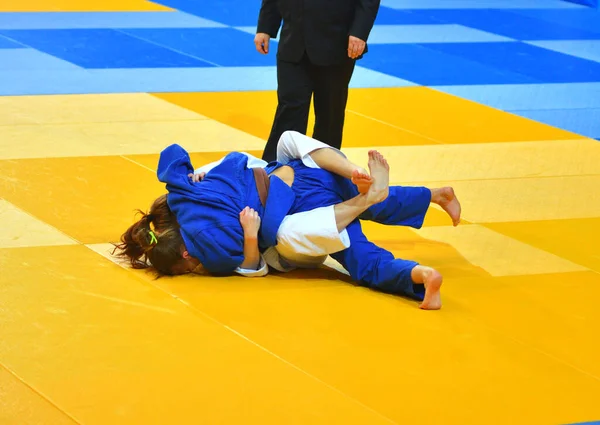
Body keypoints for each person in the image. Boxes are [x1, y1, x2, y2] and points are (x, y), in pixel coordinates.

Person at [115, 132, 461, 309]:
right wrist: (192, 177)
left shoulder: (212, 250)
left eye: (185, 270)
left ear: (185, 256)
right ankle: (434, 194)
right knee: (294, 144)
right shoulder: (185, 196)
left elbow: (253, 268)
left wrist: (251, 237)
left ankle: (420, 275)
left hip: (303, 212)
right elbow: (174, 156)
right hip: (306, 174)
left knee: (359, 258)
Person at [254, 0, 381, 162]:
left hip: (336, 41)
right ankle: (276, 168)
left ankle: (325, 172)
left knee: (329, 112)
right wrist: (265, 26)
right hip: (293, 40)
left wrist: (359, 32)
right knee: (290, 106)